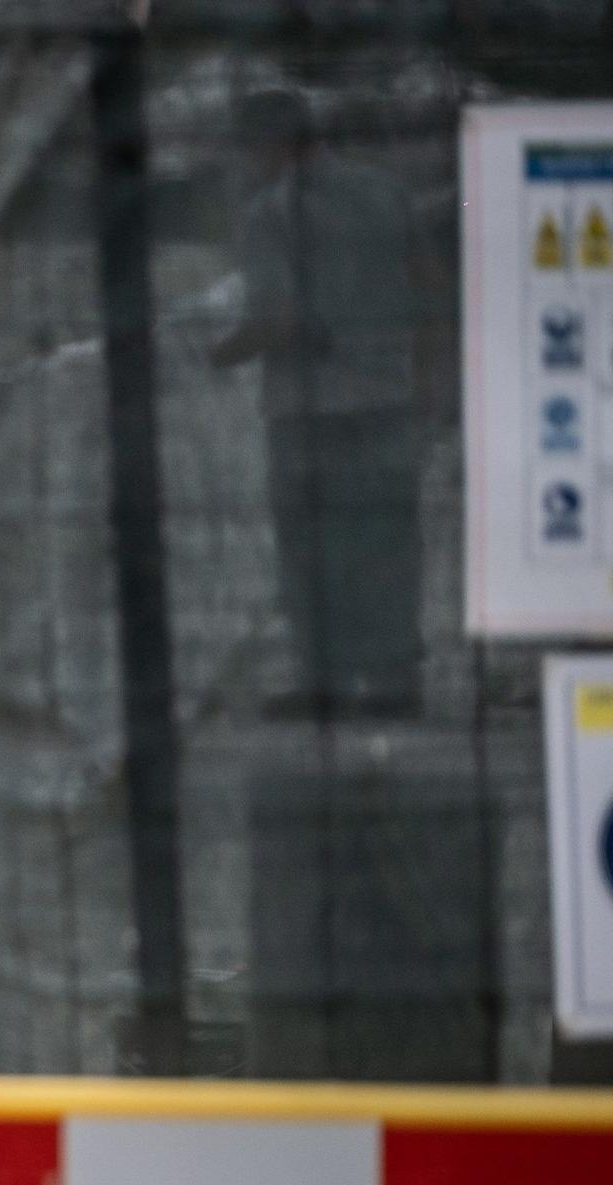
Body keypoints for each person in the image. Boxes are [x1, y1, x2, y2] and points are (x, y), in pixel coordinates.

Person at [210, 87, 428, 720]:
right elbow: (430, 284)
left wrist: (217, 353)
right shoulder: (385, 192)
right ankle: (395, 682)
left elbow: (276, 320)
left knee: (313, 548)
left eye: (248, 147)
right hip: (389, 396)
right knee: (387, 540)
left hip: (311, 410)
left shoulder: (270, 214)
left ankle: (324, 680)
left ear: (268, 144)